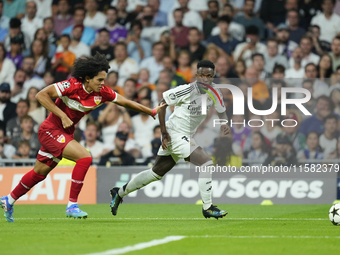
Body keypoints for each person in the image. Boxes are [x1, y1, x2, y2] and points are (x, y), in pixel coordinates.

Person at [0, 52, 165, 222]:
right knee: (85, 157)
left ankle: (8, 200)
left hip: (64, 133)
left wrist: (150, 111)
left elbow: (125, 101)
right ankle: (72, 205)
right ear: (87, 78)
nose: (103, 84)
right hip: (50, 130)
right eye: (99, 80)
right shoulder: (71, 86)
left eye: (104, 80)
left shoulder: (103, 93)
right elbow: (41, 95)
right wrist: (62, 115)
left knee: (39, 174)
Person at [109, 60, 230, 219]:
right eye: (202, 75)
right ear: (197, 75)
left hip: (185, 134)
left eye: (209, 76)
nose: (205, 79)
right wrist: (164, 132)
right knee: (206, 162)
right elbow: (162, 104)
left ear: (214, 76)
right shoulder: (186, 90)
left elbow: (221, 110)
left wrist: (224, 124)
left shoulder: (215, 92)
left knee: (156, 173)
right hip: (174, 132)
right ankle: (208, 207)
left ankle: (119, 192)